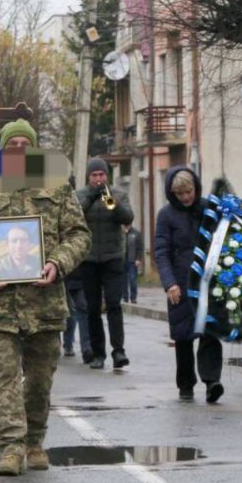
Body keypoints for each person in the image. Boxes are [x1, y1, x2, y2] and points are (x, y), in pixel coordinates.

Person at [0, 119, 91, 476]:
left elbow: (78, 235)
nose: (18, 149)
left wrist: (57, 264)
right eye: (11, 144)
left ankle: (35, 441)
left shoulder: (56, 186)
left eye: (24, 143)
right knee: (3, 377)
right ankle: (11, 447)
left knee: (41, 378)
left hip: (44, 303)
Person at [154, 166, 224, 403]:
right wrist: (169, 283)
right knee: (183, 335)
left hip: (208, 280)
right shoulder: (166, 215)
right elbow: (161, 252)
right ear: (173, 194)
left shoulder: (208, 209)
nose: (186, 197)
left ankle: (212, 381)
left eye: (189, 192)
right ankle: (186, 384)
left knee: (210, 330)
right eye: (181, 194)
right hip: (180, 283)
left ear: (196, 187)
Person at [75, 157, 134, 370]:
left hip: (113, 258)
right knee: (92, 308)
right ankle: (98, 353)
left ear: (107, 176)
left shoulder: (118, 194)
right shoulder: (80, 195)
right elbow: (74, 216)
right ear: (89, 177)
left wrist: (112, 202)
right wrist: (91, 197)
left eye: (101, 175)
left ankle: (118, 351)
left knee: (114, 304)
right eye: (94, 175)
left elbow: (127, 218)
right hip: (89, 259)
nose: (98, 179)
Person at [62, 268, 91, 360]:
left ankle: (86, 348)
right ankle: (68, 343)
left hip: (79, 278)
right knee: (68, 312)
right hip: (62, 278)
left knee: (82, 309)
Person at [124, 224, 143, 303]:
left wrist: (138, 259)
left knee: (132, 279)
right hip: (122, 260)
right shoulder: (121, 233)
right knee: (123, 280)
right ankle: (125, 297)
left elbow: (140, 247)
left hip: (132, 260)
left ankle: (133, 297)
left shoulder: (136, 233)